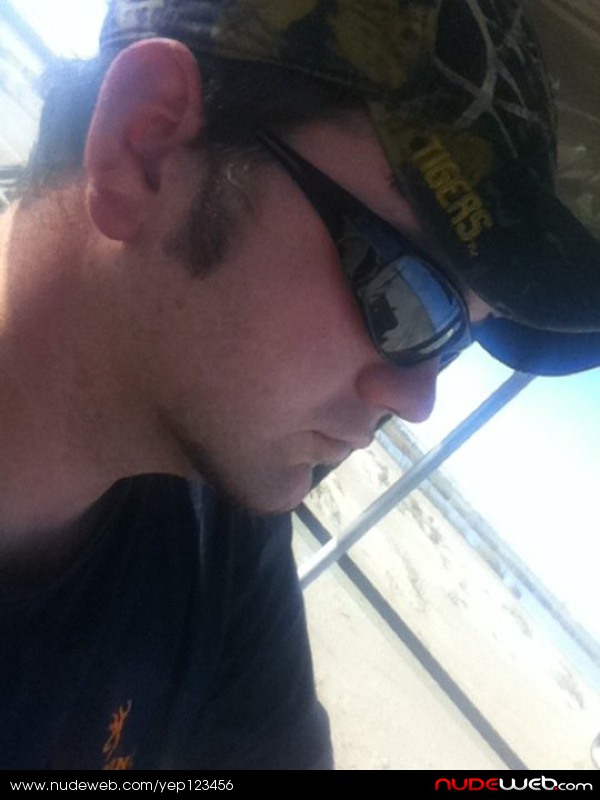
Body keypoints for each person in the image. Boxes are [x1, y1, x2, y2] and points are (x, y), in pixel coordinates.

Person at [1, 0, 599, 771]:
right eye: (407, 294)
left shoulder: (219, 541)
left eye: (455, 344)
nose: (417, 399)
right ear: (144, 144)